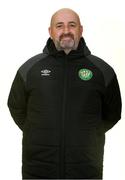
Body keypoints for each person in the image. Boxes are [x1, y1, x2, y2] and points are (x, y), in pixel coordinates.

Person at [8, 8, 122, 179]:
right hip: (38, 170)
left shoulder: (102, 71)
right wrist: (36, 130)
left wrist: (91, 133)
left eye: (72, 25)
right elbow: (16, 107)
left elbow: (113, 113)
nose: (66, 31)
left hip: (85, 170)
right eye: (59, 26)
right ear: (50, 31)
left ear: (81, 30)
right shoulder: (29, 70)